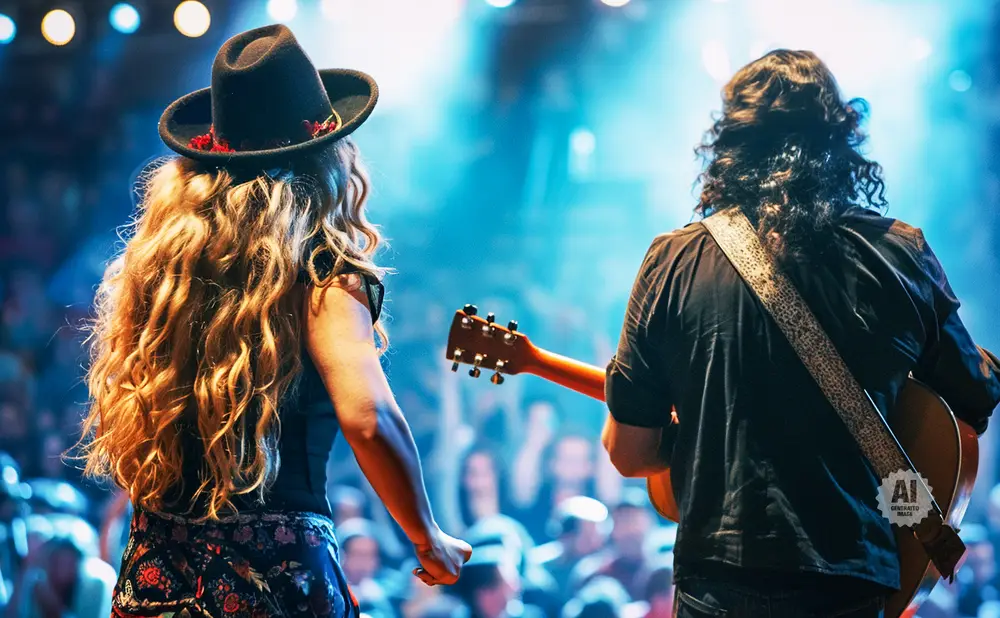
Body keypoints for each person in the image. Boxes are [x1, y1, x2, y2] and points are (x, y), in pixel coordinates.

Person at [77, 24, 470, 618]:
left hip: (156, 571)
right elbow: (369, 417)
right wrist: (426, 535)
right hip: (273, 580)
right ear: (328, 157)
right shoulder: (322, 272)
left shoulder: (160, 269)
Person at [600, 49, 1000, 616]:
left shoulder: (673, 261)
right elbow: (976, 395)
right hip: (850, 584)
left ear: (728, 145)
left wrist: (700, 433)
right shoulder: (898, 254)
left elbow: (630, 453)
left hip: (717, 581)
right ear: (842, 142)